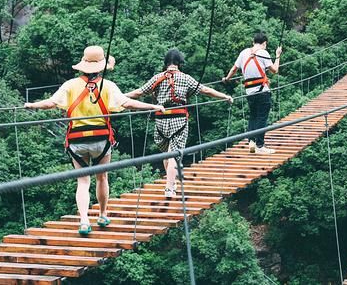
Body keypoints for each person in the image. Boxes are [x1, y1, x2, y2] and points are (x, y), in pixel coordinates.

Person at [25, 45, 163, 236]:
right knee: (102, 177)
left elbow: (51, 103)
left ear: (82, 65)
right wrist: (153, 106)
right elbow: (128, 103)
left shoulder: (70, 85)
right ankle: (103, 214)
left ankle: (83, 221)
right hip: (101, 141)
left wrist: (32, 105)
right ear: (101, 66)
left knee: (82, 181)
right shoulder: (108, 85)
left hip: (76, 141)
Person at [126, 49, 233, 198]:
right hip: (179, 120)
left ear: (166, 63)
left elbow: (138, 92)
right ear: (179, 63)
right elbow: (206, 90)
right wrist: (225, 96)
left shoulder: (157, 78)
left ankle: (171, 182)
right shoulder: (186, 78)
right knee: (173, 156)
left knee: (167, 154)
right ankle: (170, 188)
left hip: (161, 121)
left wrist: (120, 98)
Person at [223, 32, 282, 154]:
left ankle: (251, 141)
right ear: (264, 43)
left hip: (249, 92)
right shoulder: (263, 53)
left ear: (253, 42)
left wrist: (227, 78)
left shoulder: (244, 52)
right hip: (262, 91)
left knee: (253, 116)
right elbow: (275, 70)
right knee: (262, 117)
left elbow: (234, 69)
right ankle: (260, 146)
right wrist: (278, 55)